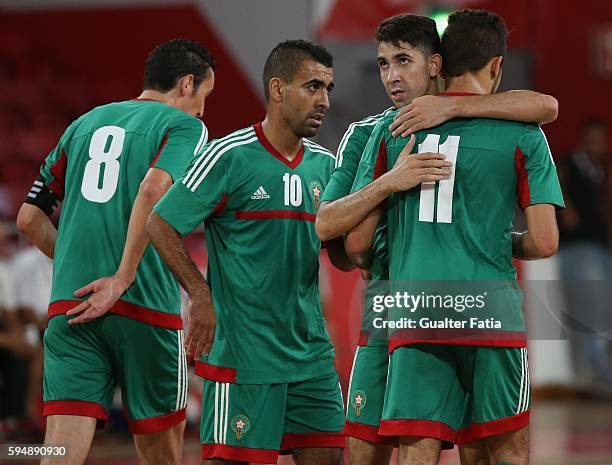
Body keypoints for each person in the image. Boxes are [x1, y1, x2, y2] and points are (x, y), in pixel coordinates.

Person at [315, 13, 559, 465]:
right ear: (495, 66)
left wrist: (454, 106)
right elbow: (329, 226)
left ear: (436, 65)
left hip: (408, 305)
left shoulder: (402, 131)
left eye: (402, 60)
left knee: (424, 443)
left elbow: (354, 247)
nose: (391, 75)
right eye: (383, 63)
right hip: (436, 307)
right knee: (483, 443)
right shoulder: (371, 130)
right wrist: (389, 186)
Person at [15, 38, 216, 465]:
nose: (202, 110)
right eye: (203, 96)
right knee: (162, 453)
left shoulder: (83, 124)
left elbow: (29, 219)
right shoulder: (184, 126)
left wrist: (75, 265)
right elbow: (153, 187)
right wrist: (122, 276)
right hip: (146, 308)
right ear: (185, 85)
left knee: (59, 449)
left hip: (73, 305)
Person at [147, 40, 346, 465]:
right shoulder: (227, 155)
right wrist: (200, 296)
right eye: (313, 86)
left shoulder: (327, 165)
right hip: (243, 359)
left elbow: (342, 254)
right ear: (277, 89)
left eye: (328, 88)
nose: (324, 100)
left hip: (312, 358)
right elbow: (159, 223)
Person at [557, 118, 612, 386]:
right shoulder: (569, 164)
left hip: (600, 247)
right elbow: (556, 180)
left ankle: (599, 367)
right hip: (578, 247)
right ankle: (595, 370)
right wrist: (567, 210)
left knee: (603, 308)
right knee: (590, 308)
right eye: (593, 140)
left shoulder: (600, 170)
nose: (598, 145)